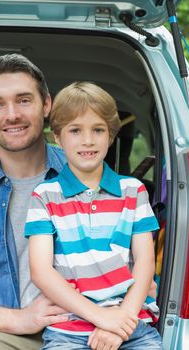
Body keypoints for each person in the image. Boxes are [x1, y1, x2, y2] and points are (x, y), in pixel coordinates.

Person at [25, 82, 163, 350]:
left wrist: (122, 322)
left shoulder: (133, 191)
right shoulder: (44, 196)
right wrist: (101, 317)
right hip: (68, 330)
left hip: (132, 324)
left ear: (111, 136)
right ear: (57, 136)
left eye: (98, 130)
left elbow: (145, 263)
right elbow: (41, 272)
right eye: (75, 130)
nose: (87, 140)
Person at [0, 53, 69, 350]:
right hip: (3, 334)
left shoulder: (88, 176)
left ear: (46, 105)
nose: (12, 114)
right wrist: (22, 320)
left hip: (84, 328)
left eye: (24, 100)